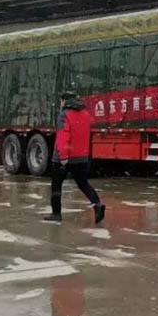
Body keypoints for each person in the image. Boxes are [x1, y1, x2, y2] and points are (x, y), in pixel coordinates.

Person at [44, 91, 105, 224]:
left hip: (65, 157)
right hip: (81, 156)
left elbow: (63, 135)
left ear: (64, 101)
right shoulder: (85, 114)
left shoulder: (64, 115)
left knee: (56, 185)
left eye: (61, 101)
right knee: (83, 183)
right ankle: (97, 204)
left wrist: (63, 157)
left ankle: (56, 213)